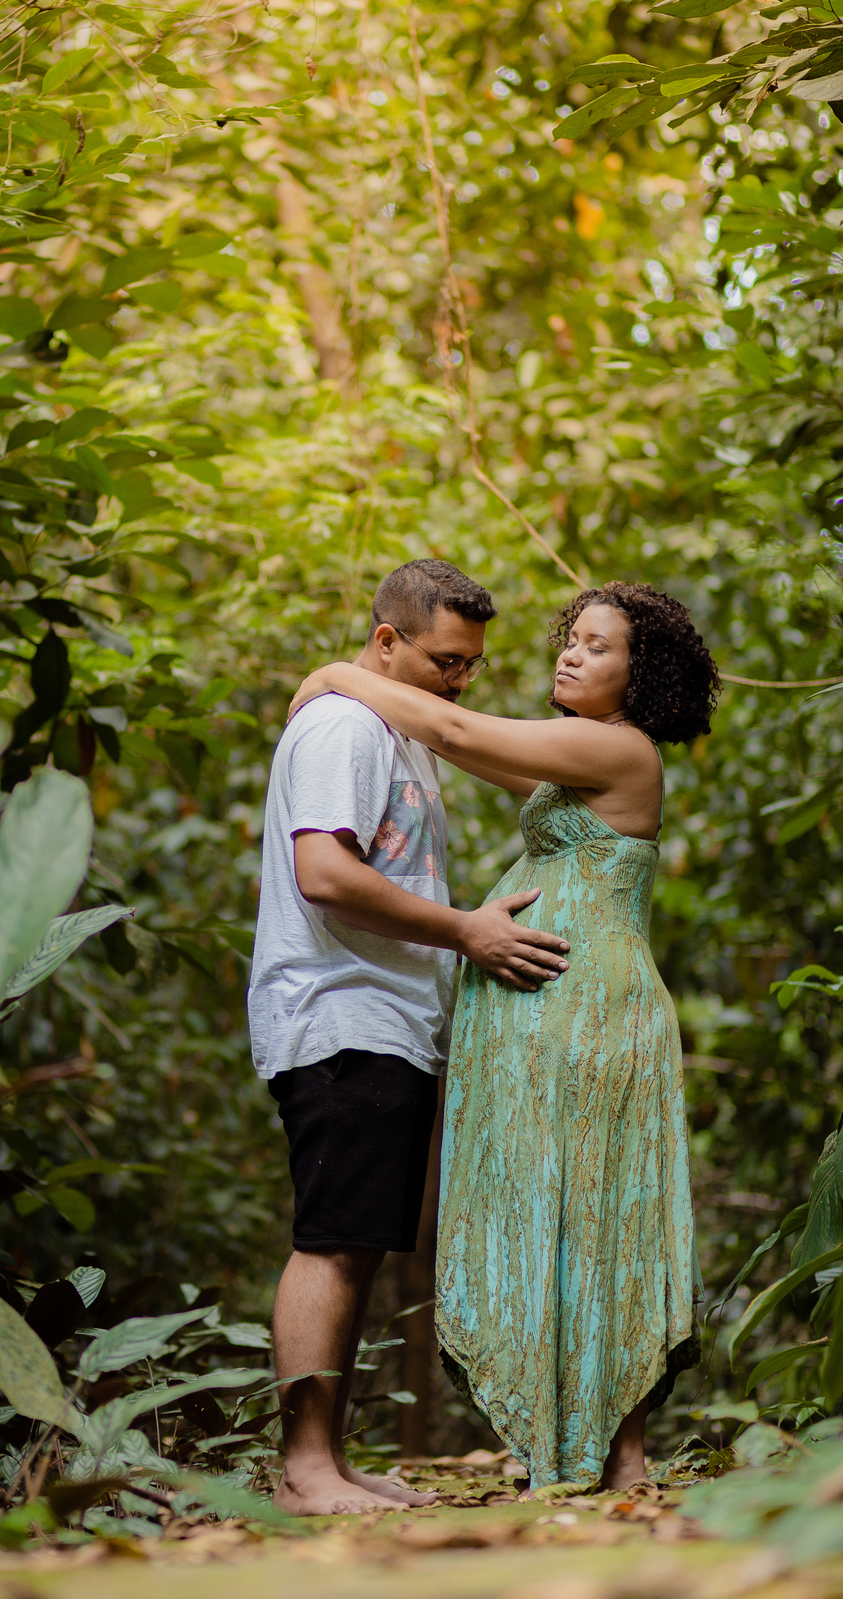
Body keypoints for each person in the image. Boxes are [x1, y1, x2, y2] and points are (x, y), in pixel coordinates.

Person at [288, 581, 718, 1491]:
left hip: (593, 1011)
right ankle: (582, 1452)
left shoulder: (618, 748)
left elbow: (457, 733)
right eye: (573, 638)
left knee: (603, 1217)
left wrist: (338, 672)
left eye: (598, 647)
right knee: (562, 1215)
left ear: (640, 680)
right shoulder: (577, 764)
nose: (569, 654)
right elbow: (479, 753)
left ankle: (619, 1454)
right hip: (552, 1013)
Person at [250, 559, 572, 1516]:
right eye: (444, 662)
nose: (459, 682)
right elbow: (326, 874)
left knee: (356, 1241)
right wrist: (468, 928)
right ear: (386, 640)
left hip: (386, 1016)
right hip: (340, 1011)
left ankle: (330, 1461)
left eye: (471, 666)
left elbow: (516, 765)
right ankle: (305, 1467)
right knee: (332, 1241)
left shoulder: (391, 722)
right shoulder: (346, 725)